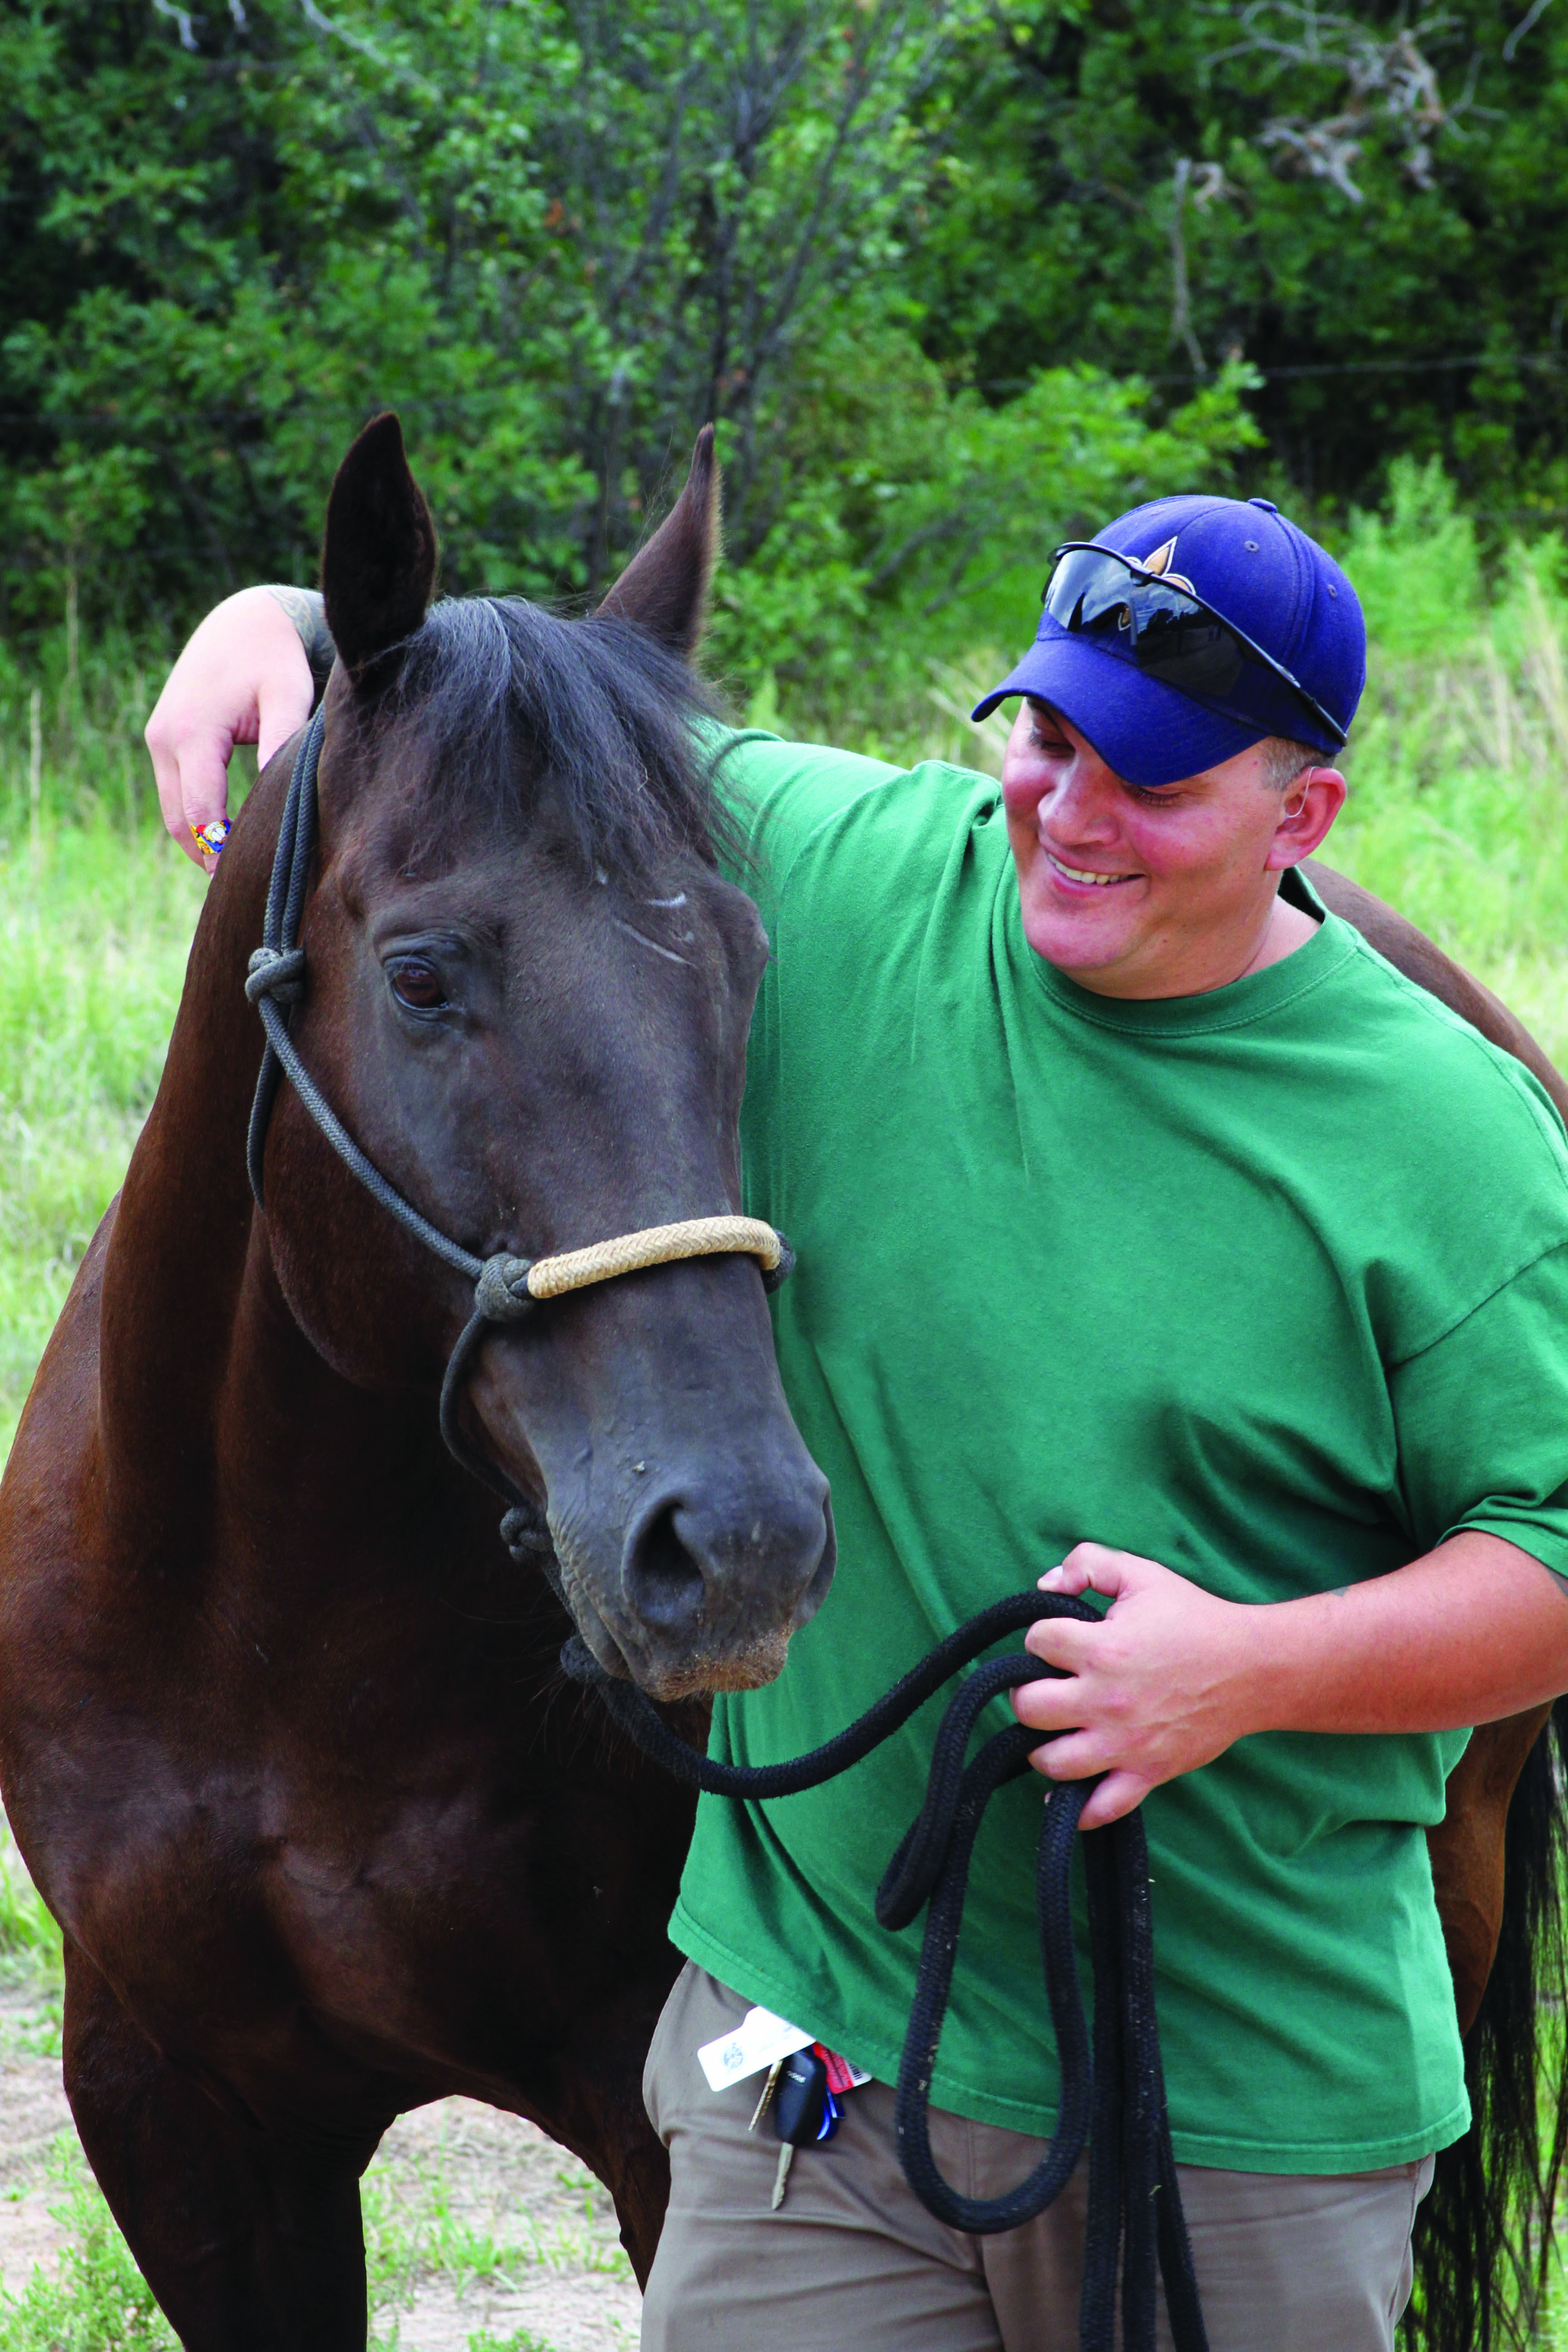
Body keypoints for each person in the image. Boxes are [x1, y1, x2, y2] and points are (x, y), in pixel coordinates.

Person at [146, 492, 1568, 2351]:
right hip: (809, 2079)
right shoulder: (854, 869)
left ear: (1302, 813)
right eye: (1047, 741)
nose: (1067, 810)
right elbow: (513, 733)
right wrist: (282, 625)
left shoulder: (1446, 1140)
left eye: (1149, 778)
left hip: (1228, 2105)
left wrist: (1248, 1671)